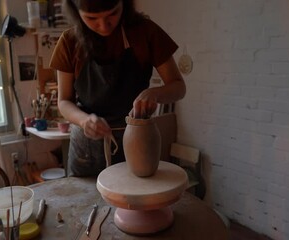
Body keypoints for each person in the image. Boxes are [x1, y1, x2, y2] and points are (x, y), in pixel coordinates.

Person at [49, 0, 188, 176]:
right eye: (92, 18)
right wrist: (85, 120)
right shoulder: (69, 42)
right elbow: (63, 101)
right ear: (77, 13)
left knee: (132, 201)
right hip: (86, 145)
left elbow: (178, 86)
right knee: (83, 201)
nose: (103, 26)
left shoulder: (145, 32)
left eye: (112, 14)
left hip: (135, 140)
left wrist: (155, 93)